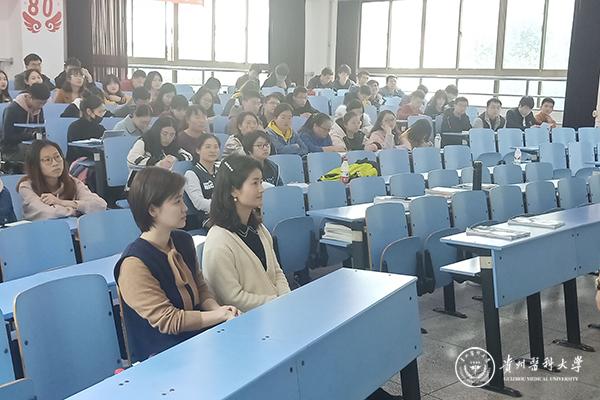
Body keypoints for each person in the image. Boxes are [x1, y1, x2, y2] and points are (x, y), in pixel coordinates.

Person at [115, 167, 239, 363]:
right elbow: (169, 320)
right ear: (152, 210)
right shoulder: (134, 263)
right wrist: (218, 316)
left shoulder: (183, 241)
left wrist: (220, 311)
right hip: (162, 356)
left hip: (198, 341)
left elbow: (201, 288)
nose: (185, 208)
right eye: (177, 201)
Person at [202, 154, 291, 312]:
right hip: (248, 320)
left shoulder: (259, 229)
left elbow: (277, 273)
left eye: (261, 182)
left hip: (275, 310)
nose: (261, 189)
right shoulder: (219, 241)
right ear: (233, 190)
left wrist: (287, 298)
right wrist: (278, 302)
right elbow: (232, 298)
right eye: (255, 183)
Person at [17, 139, 107, 221]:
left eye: (57, 157)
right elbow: (50, 213)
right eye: (47, 160)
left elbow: (101, 205)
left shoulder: (72, 181)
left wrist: (61, 202)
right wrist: (79, 210)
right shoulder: (26, 186)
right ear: (35, 165)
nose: (55, 163)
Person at [126, 116, 193, 187]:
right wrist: (158, 163)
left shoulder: (173, 145)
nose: (168, 138)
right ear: (157, 132)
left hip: (162, 186)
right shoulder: (144, 141)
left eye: (172, 135)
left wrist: (174, 158)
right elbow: (131, 160)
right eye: (164, 134)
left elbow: (189, 156)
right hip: (140, 186)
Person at [1, 83, 50, 168]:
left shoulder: (38, 109)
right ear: (30, 97)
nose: (41, 106)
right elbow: (7, 138)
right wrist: (30, 136)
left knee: (51, 151)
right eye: (39, 103)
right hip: (12, 149)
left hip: (32, 146)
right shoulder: (11, 110)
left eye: (44, 103)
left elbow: (41, 130)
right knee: (39, 155)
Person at [184, 134, 221, 229]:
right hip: (209, 218)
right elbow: (199, 203)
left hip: (228, 212)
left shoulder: (222, 170)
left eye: (216, 147)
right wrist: (223, 205)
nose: (212, 150)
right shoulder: (191, 174)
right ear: (198, 150)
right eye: (208, 147)